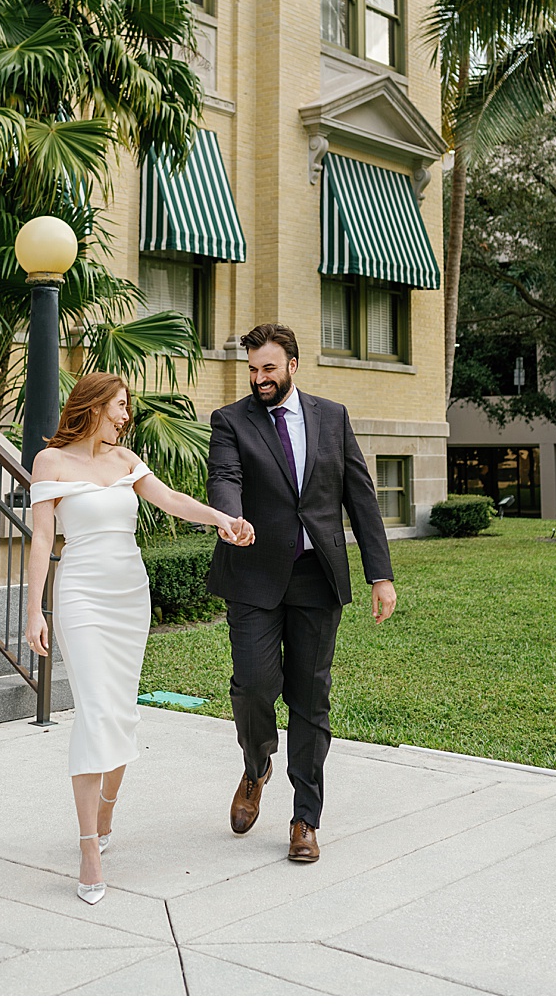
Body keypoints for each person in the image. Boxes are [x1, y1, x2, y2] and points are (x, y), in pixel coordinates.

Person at [25, 372, 255, 906]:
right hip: (81, 596)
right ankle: (89, 847)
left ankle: (106, 810)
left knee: (123, 713)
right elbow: (41, 538)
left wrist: (224, 519)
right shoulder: (51, 463)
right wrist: (34, 609)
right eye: (121, 406)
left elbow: (171, 499)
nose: (126, 415)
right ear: (96, 405)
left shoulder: (126, 462)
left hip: (130, 597)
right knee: (95, 713)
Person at [206, 322, 397, 863]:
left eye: (269, 368)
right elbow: (225, 476)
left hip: (317, 577)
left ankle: (304, 819)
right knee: (253, 686)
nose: (259, 379)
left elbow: (360, 495)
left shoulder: (331, 417)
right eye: (252, 370)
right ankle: (256, 765)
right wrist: (230, 517)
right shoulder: (231, 420)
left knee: (310, 700)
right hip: (252, 574)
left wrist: (379, 574)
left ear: (292, 365)